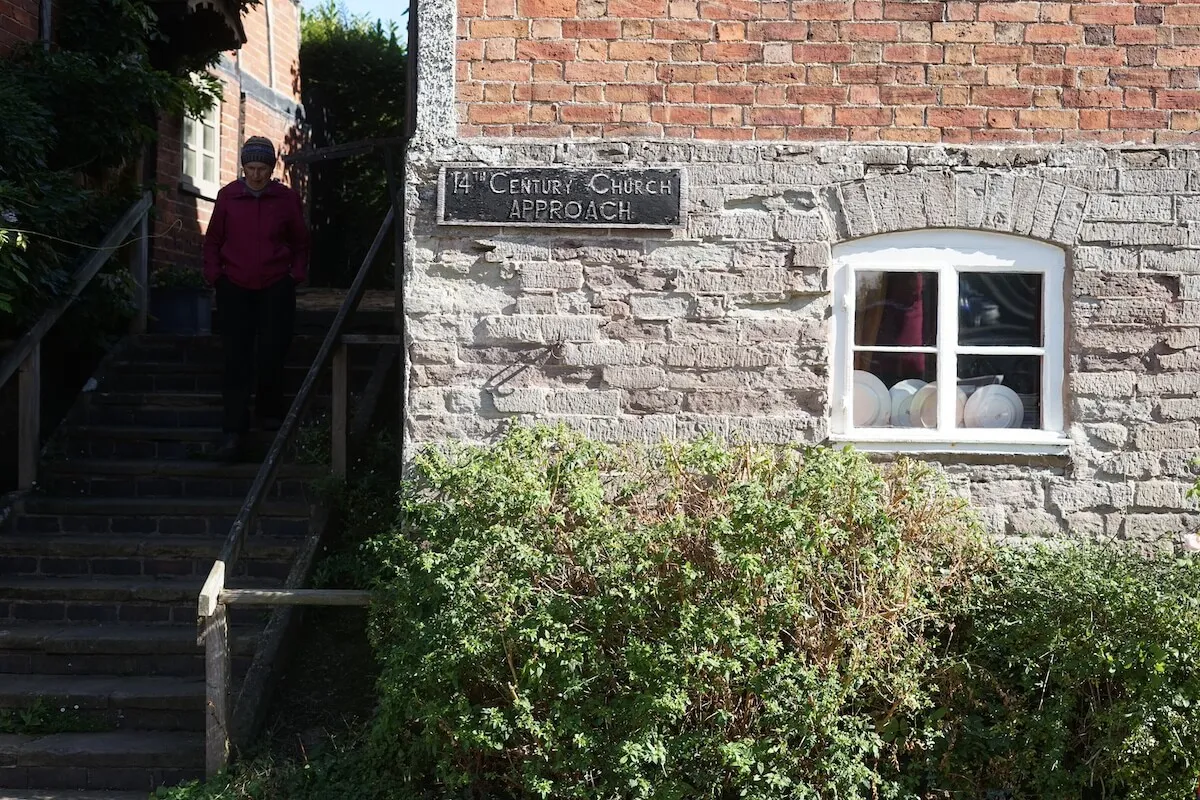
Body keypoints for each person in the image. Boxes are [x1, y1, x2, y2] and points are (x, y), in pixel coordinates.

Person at [203, 136, 310, 461]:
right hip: (234, 285)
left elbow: (301, 242)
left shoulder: (286, 199)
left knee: (273, 349)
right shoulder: (228, 197)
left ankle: (270, 414)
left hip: (276, 284)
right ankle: (233, 430)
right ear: (243, 167)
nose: (257, 174)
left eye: (262, 168)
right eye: (251, 168)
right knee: (236, 357)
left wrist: (296, 275)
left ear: (271, 168)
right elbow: (212, 242)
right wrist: (215, 276)